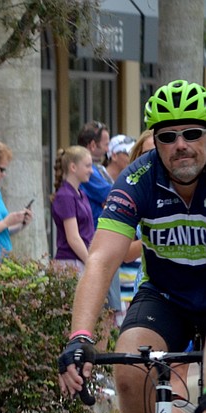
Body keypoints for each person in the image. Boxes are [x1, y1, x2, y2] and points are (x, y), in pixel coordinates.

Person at [59, 79, 206, 413]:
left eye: (192, 133)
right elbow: (101, 258)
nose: (181, 145)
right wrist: (80, 336)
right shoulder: (139, 179)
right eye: (168, 136)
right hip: (165, 295)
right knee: (128, 370)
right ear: (154, 141)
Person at [76, 120, 123, 321]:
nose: (107, 147)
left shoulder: (99, 170)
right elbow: (113, 195)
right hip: (100, 242)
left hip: (106, 241)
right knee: (107, 309)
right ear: (92, 145)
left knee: (111, 309)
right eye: (105, 144)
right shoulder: (93, 173)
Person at [50, 145, 95, 273]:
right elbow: (73, 238)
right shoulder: (65, 196)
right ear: (73, 167)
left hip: (81, 260)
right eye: (87, 166)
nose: (91, 170)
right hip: (71, 263)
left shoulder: (81, 194)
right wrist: (90, 263)